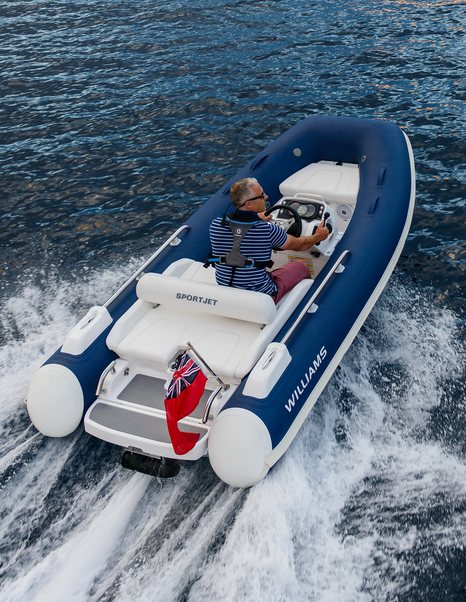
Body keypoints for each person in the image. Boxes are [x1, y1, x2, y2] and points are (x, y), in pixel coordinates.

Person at [209, 177, 329, 303]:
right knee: (302, 264)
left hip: (225, 289)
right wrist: (318, 236)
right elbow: (300, 245)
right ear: (248, 204)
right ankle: (308, 302)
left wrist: (257, 219)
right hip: (261, 296)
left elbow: (239, 235)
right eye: (261, 195)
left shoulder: (216, 225)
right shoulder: (267, 230)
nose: (266, 197)